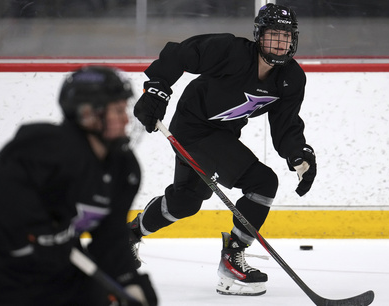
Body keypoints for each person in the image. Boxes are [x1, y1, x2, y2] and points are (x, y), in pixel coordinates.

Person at [131, 3, 317, 296]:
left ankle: (127, 235)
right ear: (259, 36)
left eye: (286, 36)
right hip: (192, 127)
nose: (279, 43)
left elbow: (286, 124)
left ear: (293, 40)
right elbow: (179, 53)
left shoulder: (291, 79)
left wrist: (298, 154)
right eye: (272, 35)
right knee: (262, 182)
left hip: (222, 133)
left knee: (186, 202)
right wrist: (157, 88)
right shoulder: (231, 51)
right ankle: (233, 259)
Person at [0, 66, 157, 306]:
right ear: (89, 113)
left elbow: (109, 238)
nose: (126, 119)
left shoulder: (123, 168)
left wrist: (128, 281)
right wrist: (40, 234)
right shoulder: (39, 150)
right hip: (7, 276)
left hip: (62, 272)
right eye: (118, 110)